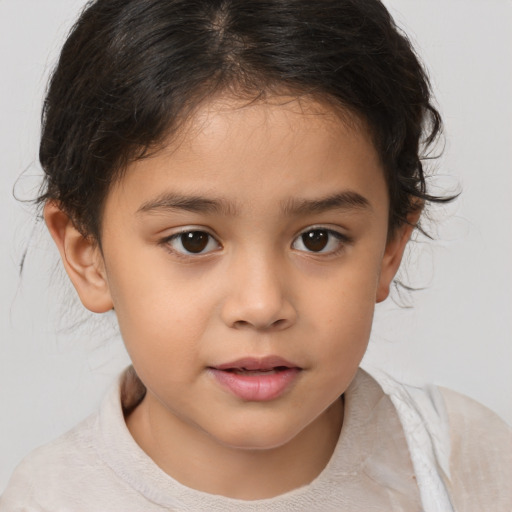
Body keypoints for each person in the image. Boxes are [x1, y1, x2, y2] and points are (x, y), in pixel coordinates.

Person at [1, 0, 510, 510]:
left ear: (390, 246)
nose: (262, 305)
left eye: (318, 239)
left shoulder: (466, 461)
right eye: (193, 240)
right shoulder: (50, 498)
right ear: (88, 255)